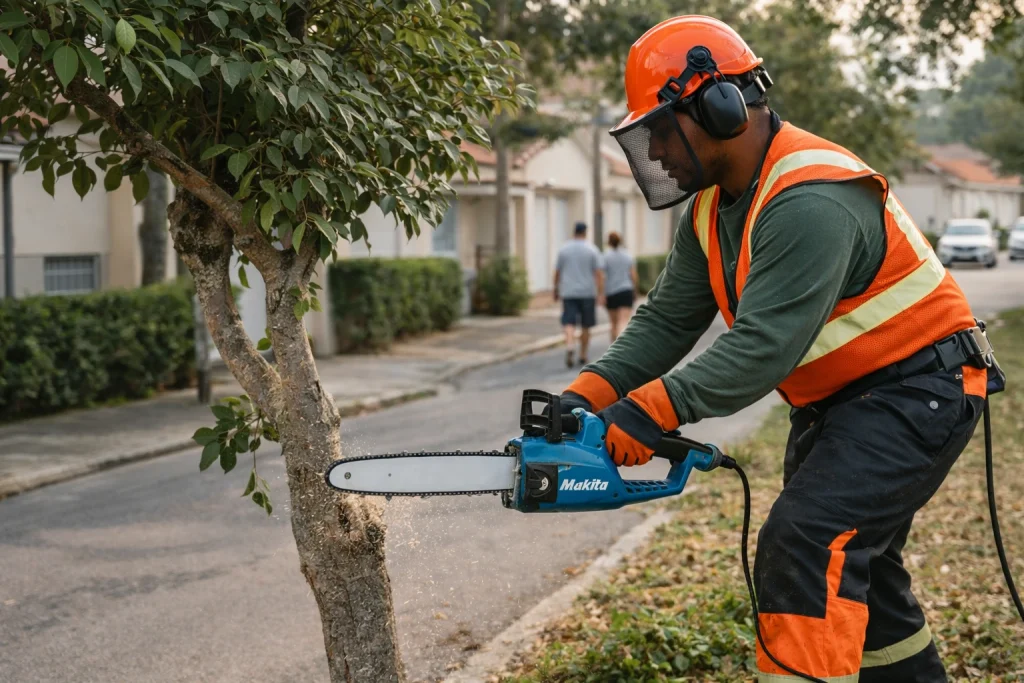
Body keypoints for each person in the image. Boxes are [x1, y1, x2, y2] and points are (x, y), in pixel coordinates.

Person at [555, 15, 999, 683]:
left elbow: (761, 348)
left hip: (921, 388)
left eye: (660, 132)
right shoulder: (712, 210)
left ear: (718, 107)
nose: (657, 155)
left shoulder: (810, 198)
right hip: (847, 403)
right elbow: (666, 322)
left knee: (807, 540)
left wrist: (651, 412)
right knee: (862, 575)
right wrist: (584, 396)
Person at [554, 221, 603, 368]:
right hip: (587, 292)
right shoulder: (592, 249)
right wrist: (600, 292)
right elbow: (598, 273)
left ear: (574, 232)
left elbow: (557, 272)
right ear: (585, 232)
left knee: (569, 322)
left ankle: (570, 346)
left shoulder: (564, 249)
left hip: (568, 292)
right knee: (586, 325)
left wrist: (555, 289)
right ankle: (582, 355)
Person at [602, 232, 638, 341]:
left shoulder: (605, 256)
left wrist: (601, 293)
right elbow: (633, 275)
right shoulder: (628, 255)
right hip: (625, 290)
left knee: (613, 324)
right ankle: (621, 343)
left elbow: (602, 276)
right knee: (623, 322)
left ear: (608, 242)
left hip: (611, 292)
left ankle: (613, 351)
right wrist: (635, 290)